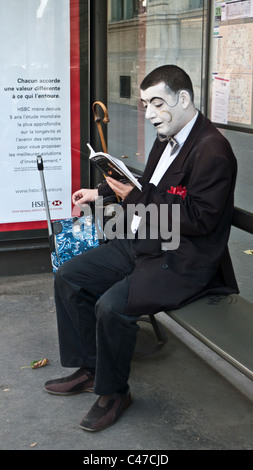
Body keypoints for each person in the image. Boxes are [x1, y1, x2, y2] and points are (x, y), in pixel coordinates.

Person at [44, 65, 239, 432]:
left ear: (183, 99)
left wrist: (136, 198)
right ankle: (91, 367)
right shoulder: (169, 136)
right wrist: (100, 192)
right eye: (145, 103)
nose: (148, 113)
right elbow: (147, 184)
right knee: (70, 277)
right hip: (147, 240)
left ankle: (114, 393)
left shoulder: (214, 150)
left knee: (111, 307)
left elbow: (200, 220)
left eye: (156, 103)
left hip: (182, 258)